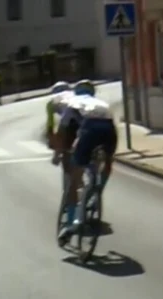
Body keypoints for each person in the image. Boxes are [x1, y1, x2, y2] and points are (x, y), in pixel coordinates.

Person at [54, 80, 117, 245]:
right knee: (108, 162)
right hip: (109, 128)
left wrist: (58, 153)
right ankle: (97, 193)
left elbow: (62, 130)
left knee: (76, 172)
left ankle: (74, 223)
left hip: (90, 129)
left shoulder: (72, 102)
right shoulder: (101, 103)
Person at [45, 81, 71, 148]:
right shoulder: (75, 96)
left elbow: (50, 122)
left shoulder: (51, 102)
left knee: (59, 141)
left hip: (66, 122)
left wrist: (50, 136)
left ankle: (57, 156)